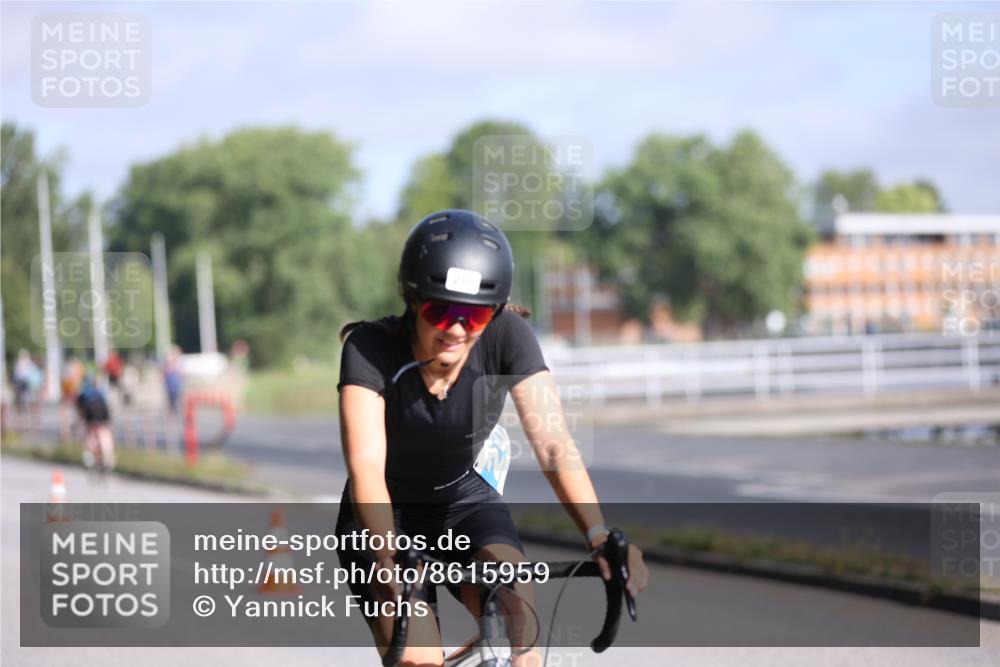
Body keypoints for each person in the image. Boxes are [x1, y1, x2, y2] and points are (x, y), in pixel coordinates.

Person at [335, 210, 648, 666]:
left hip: (464, 502)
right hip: (385, 512)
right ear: (412, 299)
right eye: (440, 310)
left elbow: (554, 444)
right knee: (418, 661)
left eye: (475, 315)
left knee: (522, 626)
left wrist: (597, 535)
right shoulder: (369, 348)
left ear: (495, 313)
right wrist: (386, 557)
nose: (456, 329)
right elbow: (366, 468)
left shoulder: (507, 336)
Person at [76, 375, 115, 471]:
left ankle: (89, 456)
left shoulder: (82, 394)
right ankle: (108, 456)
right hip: (102, 410)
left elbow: (81, 411)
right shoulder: (99, 391)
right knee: (104, 431)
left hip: (91, 410)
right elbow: (106, 404)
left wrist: (79, 422)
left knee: (90, 432)